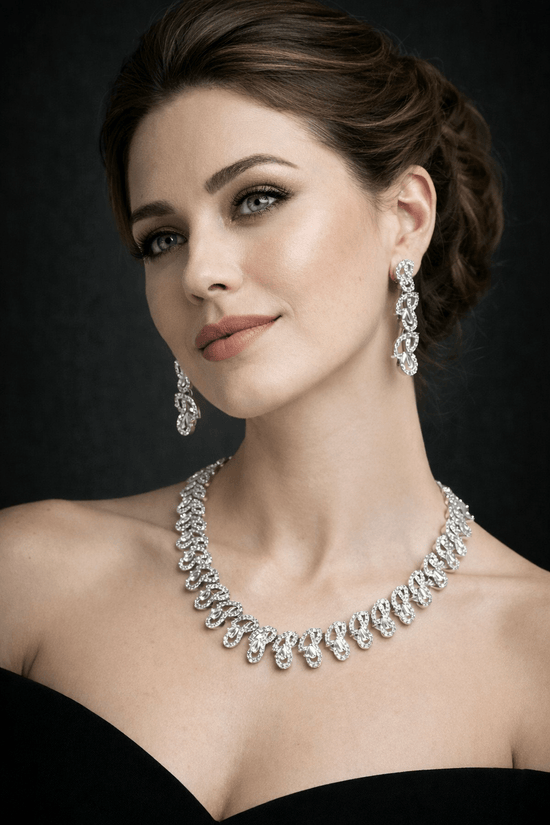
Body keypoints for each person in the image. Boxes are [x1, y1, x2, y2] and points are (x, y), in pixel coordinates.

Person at [1, 0, 549, 821]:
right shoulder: (26, 576)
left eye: (255, 198)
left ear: (405, 218)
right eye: (162, 237)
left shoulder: (534, 655)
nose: (200, 272)